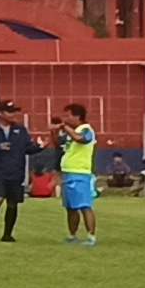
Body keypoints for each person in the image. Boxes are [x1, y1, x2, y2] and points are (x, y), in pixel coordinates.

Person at [0, 99, 36, 243]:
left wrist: (41, 146)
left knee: (13, 203)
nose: (13, 115)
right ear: (0, 113)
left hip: (16, 171)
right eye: (10, 112)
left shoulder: (20, 130)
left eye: (14, 111)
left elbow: (28, 148)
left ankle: (7, 234)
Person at [54, 102, 102, 247]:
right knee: (70, 207)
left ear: (77, 116)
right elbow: (58, 145)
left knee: (84, 205)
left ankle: (91, 236)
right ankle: (72, 235)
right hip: (68, 172)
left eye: (68, 116)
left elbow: (81, 139)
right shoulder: (71, 133)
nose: (65, 119)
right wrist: (54, 132)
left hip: (80, 173)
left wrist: (65, 127)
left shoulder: (86, 129)